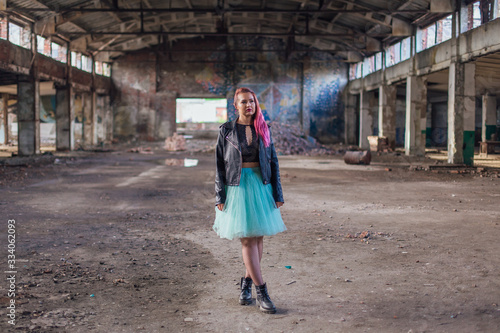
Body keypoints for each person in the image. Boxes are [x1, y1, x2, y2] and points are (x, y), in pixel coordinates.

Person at [213, 87, 286, 314]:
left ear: (256, 104)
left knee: (258, 237)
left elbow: (273, 161)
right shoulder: (226, 130)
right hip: (237, 187)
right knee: (247, 241)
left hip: (261, 185)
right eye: (243, 102)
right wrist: (220, 195)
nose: (248, 105)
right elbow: (218, 164)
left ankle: (246, 284)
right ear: (236, 106)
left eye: (252, 101)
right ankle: (261, 291)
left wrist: (278, 193)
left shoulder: (264, 128)